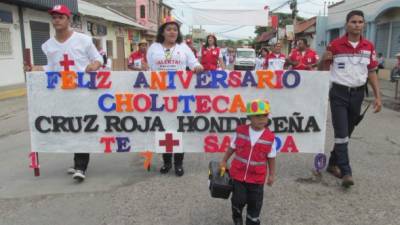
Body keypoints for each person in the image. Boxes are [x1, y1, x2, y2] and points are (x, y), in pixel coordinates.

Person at [26, 4, 103, 182]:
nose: (57, 20)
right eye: (54, 17)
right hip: (62, 93)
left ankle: (81, 166)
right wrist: (36, 68)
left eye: (60, 17)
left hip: (83, 92)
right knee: (69, 127)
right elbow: (51, 68)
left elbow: (98, 58)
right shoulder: (48, 45)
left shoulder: (83, 40)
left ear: (68, 19)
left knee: (83, 126)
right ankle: (77, 162)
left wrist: (95, 65)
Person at [319, 10, 382, 188]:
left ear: (364, 25)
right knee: (341, 132)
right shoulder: (335, 45)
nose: (357, 24)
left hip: (358, 94)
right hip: (338, 94)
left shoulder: (369, 46)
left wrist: (378, 96)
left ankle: (332, 163)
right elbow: (322, 72)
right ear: (347, 24)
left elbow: (372, 72)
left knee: (347, 133)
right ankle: (346, 172)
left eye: (360, 22)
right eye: (353, 21)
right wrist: (323, 60)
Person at [146, 18, 203, 176]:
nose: (172, 32)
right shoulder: (154, 48)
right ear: (162, 32)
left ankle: (178, 163)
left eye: (175, 29)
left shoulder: (183, 47)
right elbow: (150, 69)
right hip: (160, 95)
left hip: (180, 96)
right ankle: (166, 162)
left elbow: (193, 63)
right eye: (169, 29)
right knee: (164, 128)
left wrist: (198, 67)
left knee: (179, 128)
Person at [220, 99, 276, 225]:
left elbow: (271, 157)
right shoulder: (240, 131)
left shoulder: (270, 137)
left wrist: (272, 174)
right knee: (238, 200)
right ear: (250, 117)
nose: (262, 119)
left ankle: (252, 221)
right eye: (258, 116)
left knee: (255, 203)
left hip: (257, 178)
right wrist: (224, 160)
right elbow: (232, 147)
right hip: (238, 175)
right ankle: (237, 214)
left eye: (265, 115)